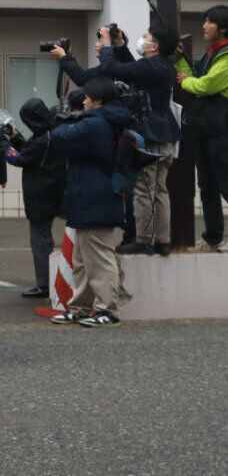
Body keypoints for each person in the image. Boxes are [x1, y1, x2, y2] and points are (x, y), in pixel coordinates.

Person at [47, 78, 132, 327]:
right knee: (83, 259)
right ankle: (81, 307)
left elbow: (60, 138)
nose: (82, 101)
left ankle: (107, 310)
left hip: (96, 196)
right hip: (94, 194)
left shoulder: (96, 123)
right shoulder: (108, 121)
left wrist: (62, 118)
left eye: (86, 97)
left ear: (98, 100)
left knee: (99, 257)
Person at [95, 23, 181, 256]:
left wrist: (105, 47)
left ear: (155, 45)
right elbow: (132, 69)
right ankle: (162, 240)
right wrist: (120, 45)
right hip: (166, 134)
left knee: (145, 189)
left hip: (150, 134)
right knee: (160, 190)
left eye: (146, 36)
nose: (142, 39)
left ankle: (144, 240)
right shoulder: (161, 66)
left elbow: (112, 68)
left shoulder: (152, 66)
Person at [50, 32, 138, 245]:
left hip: (107, 169)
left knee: (128, 190)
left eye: (100, 41)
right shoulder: (110, 76)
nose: (97, 45)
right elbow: (86, 78)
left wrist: (65, 59)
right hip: (102, 169)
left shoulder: (114, 70)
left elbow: (85, 77)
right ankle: (130, 233)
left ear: (98, 99)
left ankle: (132, 233)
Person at [175, 4, 228, 253]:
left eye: (210, 21)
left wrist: (188, 81)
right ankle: (213, 238)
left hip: (220, 131)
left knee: (225, 183)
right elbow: (189, 79)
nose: (204, 26)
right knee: (207, 186)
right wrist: (179, 60)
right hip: (202, 130)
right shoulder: (207, 54)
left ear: (224, 28)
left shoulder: (226, 57)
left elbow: (205, 85)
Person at [5, 99, 67, 298]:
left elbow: (21, 159)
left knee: (40, 242)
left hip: (42, 196)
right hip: (53, 192)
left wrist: (2, 145)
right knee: (45, 240)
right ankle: (49, 282)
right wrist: (15, 138)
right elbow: (29, 151)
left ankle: (45, 284)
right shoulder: (50, 134)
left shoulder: (43, 139)